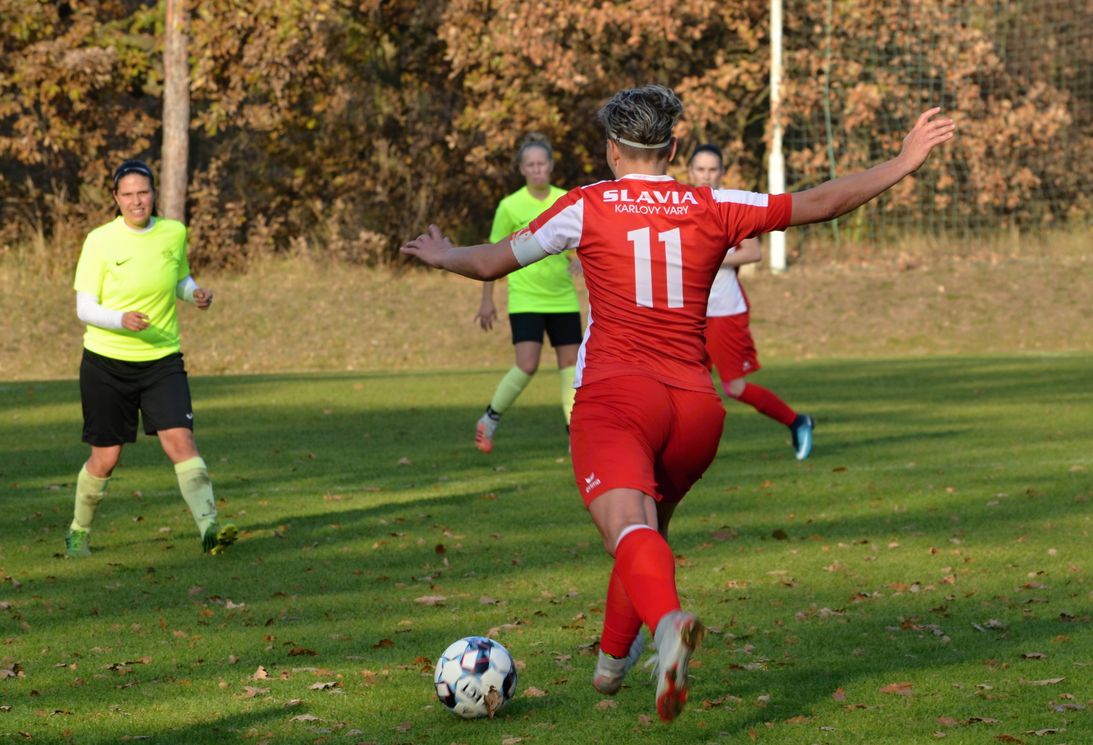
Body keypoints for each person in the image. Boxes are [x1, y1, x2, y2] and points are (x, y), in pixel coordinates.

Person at [402, 85, 954, 721]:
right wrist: (903, 162)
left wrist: (443, 255)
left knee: (627, 529)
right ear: (672, 149)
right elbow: (822, 202)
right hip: (695, 409)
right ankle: (613, 663)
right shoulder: (715, 204)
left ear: (612, 151)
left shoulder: (585, 205)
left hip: (617, 398)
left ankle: (667, 627)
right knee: (645, 533)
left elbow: (493, 261)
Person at [67, 159, 236, 558]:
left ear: (154, 193)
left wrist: (193, 293)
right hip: (106, 364)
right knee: (106, 458)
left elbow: (177, 277)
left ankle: (210, 530)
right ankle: (78, 531)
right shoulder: (99, 241)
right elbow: (84, 308)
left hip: (162, 361)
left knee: (181, 441)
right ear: (116, 198)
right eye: (128, 194)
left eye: (143, 192)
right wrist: (120, 319)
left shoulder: (173, 232)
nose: (136, 201)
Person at [686, 144, 815, 459]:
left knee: (735, 387)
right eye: (700, 169)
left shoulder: (730, 205)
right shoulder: (680, 206)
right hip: (688, 312)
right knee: (684, 383)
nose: (706, 176)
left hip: (724, 310)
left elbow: (753, 252)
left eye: (712, 169)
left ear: (722, 172)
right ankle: (680, 450)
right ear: (690, 172)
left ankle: (797, 421)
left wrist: (710, 258)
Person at [472, 133, 583, 453]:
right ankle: (490, 419)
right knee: (527, 364)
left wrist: (579, 258)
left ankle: (574, 432)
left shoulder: (566, 201)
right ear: (522, 169)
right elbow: (492, 254)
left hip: (562, 298)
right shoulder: (509, 206)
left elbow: (579, 242)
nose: (536, 169)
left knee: (571, 365)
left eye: (541, 164)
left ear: (551, 166)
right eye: (530, 165)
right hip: (526, 299)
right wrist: (486, 300)